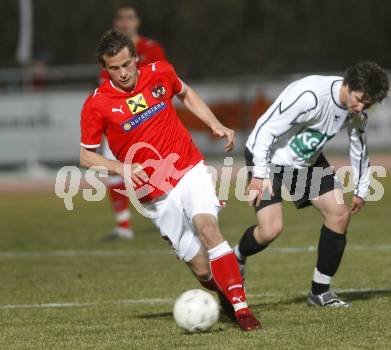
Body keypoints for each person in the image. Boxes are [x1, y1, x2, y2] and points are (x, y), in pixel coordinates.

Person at [80, 29, 261, 331]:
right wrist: (119, 167)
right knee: (201, 267)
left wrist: (214, 124)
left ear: (135, 58)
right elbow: (86, 157)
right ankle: (227, 297)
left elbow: (185, 93)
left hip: (187, 168)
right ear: (105, 68)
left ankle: (243, 311)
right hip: (151, 192)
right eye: (114, 68)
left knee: (207, 227)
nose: (123, 73)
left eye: (127, 64)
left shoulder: (160, 72)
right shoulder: (97, 104)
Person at [234, 61, 391, 307]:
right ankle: (238, 256)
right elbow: (265, 132)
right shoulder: (310, 97)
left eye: (368, 104)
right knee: (270, 230)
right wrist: (258, 175)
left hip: (306, 163)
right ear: (348, 84)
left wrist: (361, 189)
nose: (361, 107)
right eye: (360, 99)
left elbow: (359, 147)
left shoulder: (356, 112)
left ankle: (320, 292)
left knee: (339, 214)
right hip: (268, 158)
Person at [100, 3, 168, 240]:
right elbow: (106, 88)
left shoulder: (151, 48)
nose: (126, 22)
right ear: (116, 23)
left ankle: (165, 216)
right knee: (113, 170)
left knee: (155, 171)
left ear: (137, 21)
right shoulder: (109, 54)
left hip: (148, 121)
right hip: (119, 122)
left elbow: (161, 84)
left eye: (130, 17)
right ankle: (123, 226)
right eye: (121, 18)